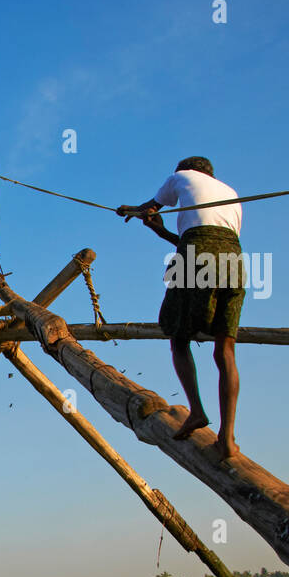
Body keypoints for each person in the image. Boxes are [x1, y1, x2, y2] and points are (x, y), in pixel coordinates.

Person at [116, 156, 245, 460]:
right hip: (233, 259)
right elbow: (209, 241)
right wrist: (160, 232)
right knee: (225, 349)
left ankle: (197, 411)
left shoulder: (180, 176)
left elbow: (150, 207)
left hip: (197, 253)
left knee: (177, 334)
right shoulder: (233, 194)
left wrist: (132, 211)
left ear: (185, 171)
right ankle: (227, 438)